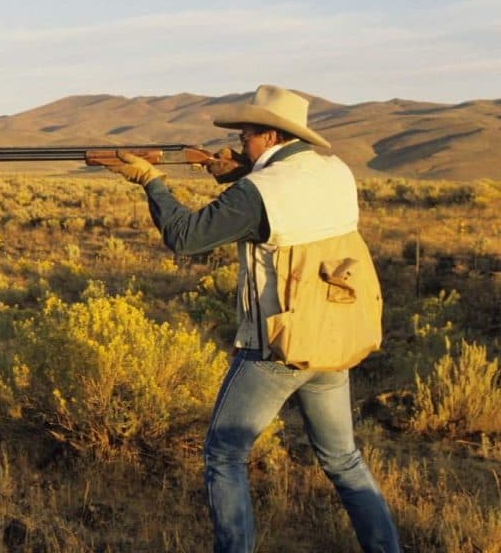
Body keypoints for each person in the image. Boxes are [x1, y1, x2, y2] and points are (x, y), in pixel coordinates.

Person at [104, 85, 401, 553]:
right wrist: (232, 170)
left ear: (268, 135)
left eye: (245, 137)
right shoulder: (334, 170)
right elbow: (288, 200)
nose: (241, 143)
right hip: (332, 337)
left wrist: (152, 182)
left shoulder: (259, 191)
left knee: (224, 454)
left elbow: (185, 237)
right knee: (343, 459)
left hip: (277, 345)